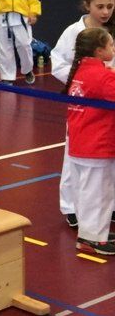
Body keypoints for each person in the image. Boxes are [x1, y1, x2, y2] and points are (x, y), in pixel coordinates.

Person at [50, 0, 115, 229]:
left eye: (110, 6)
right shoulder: (74, 32)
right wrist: (84, 82)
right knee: (74, 157)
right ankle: (71, 206)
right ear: (87, 6)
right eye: (100, 6)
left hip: (109, 103)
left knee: (109, 160)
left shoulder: (112, 31)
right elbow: (58, 62)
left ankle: (109, 206)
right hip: (84, 104)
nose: (105, 12)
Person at [62, 27, 115, 256]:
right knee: (99, 194)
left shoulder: (82, 71)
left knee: (86, 192)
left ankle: (93, 232)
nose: (114, 49)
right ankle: (91, 239)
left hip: (80, 143)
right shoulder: (102, 76)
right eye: (111, 45)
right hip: (97, 145)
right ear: (99, 50)